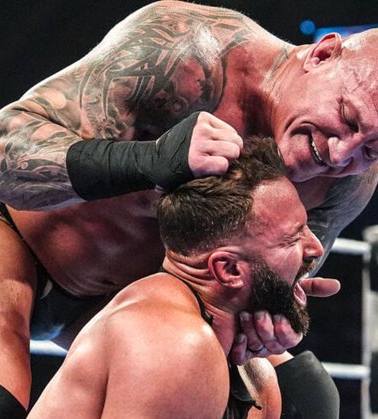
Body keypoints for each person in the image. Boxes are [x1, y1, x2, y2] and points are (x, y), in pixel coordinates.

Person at [0, 1, 378, 417]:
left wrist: (273, 312)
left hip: (133, 294)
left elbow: (271, 283)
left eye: (374, 150)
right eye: (347, 118)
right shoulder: (190, 52)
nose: (343, 153)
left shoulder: (348, 182)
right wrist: (149, 160)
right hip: (6, 228)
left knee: (304, 397)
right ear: (322, 54)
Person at [28, 136, 339, 419]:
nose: (315, 247)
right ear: (229, 270)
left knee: (306, 393)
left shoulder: (252, 371)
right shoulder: (176, 346)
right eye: (292, 237)